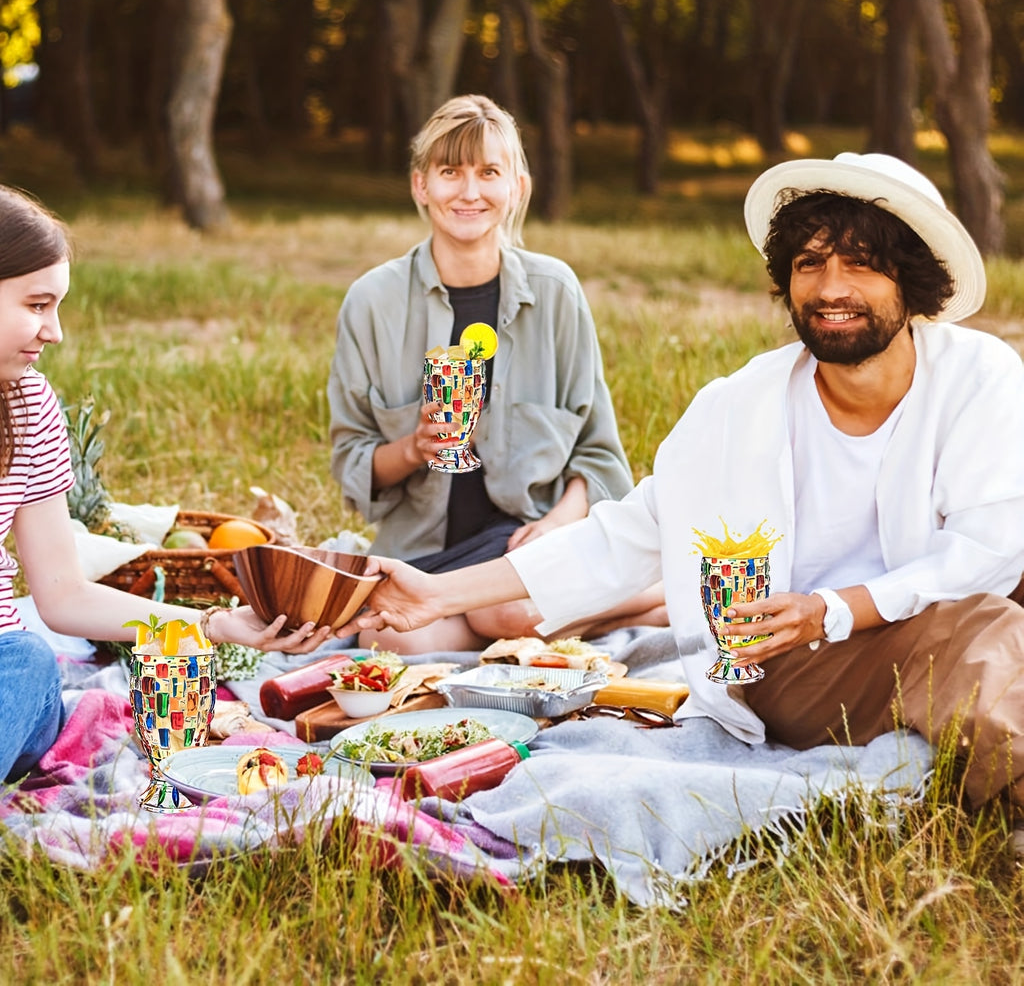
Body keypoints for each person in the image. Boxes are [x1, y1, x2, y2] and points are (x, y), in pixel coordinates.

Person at [341, 152, 1024, 847]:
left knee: (995, 605)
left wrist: (834, 610)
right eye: (810, 264)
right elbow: (621, 539)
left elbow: (990, 551)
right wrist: (437, 594)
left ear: (912, 280)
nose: (830, 287)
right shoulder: (735, 409)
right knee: (976, 633)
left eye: (861, 263)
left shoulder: (979, 377)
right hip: (794, 663)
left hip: (911, 618)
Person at [0, 185, 333, 783]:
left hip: (7, 679)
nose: (55, 332)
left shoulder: (30, 408)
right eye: (36, 305)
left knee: (26, 663)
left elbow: (64, 595)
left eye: (57, 307)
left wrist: (206, 625)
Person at [327, 94, 666, 653]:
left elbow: (599, 454)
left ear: (518, 188)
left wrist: (558, 525)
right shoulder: (372, 302)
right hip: (426, 560)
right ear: (421, 186)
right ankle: (650, 604)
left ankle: (586, 605)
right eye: (450, 172)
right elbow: (352, 464)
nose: (469, 192)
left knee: (507, 605)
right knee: (396, 644)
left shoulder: (556, 293)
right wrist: (414, 446)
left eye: (489, 172)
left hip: (532, 547)